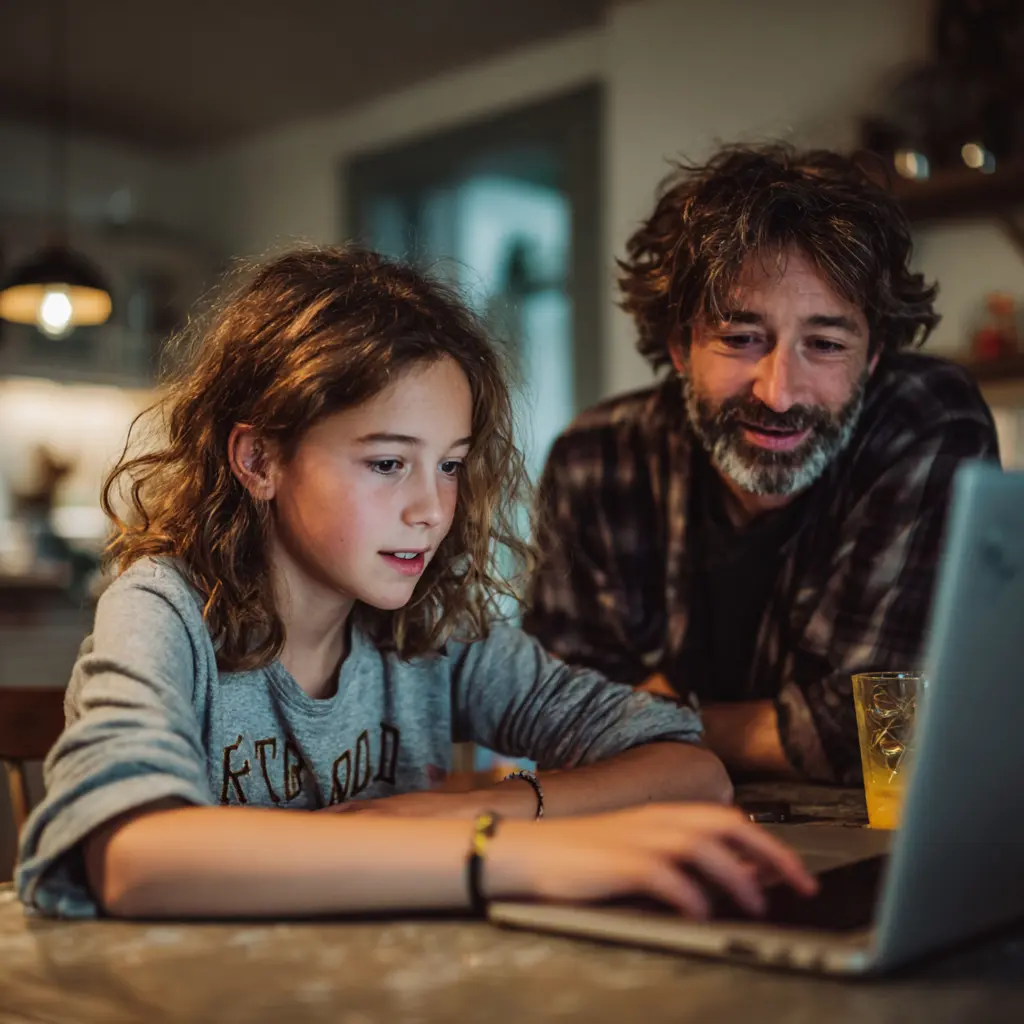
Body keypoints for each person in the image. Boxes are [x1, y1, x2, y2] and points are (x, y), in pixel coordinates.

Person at [15, 245, 816, 923]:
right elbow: (133, 857)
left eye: (451, 466)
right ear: (259, 460)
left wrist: (477, 808)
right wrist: (494, 854)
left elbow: (688, 763)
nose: (432, 509)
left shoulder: (435, 630)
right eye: (388, 463)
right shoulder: (162, 610)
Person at [525, 144, 999, 786]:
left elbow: (885, 734)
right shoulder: (596, 460)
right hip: (645, 839)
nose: (778, 392)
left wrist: (655, 717)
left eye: (826, 344)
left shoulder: (926, 419)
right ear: (680, 346)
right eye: (740, 338)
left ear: (875, 356)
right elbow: (555, 713)